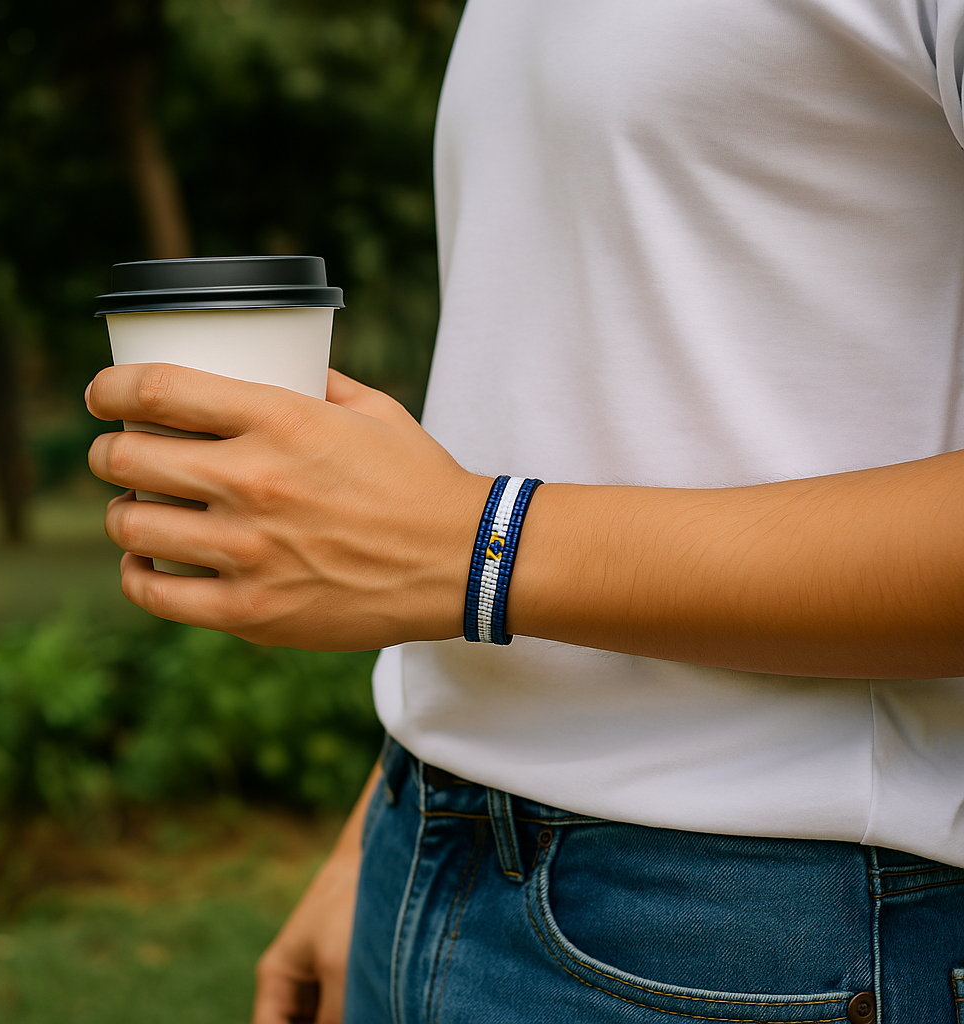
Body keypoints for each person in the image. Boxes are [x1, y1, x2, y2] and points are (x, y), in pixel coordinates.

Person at [87, 1, 964, 1021]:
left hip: (752, 931)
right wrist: (403, 806)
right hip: (430, 854)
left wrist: (475, 546)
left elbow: (466, 531)